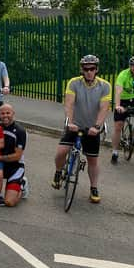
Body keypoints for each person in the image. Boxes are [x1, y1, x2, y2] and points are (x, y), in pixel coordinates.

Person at [51, 55, 111, 203]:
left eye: (92, 69)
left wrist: (97, 127)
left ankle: (94, 188)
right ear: (82, 70)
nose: (89, 71)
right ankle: (58, 172)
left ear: (96, 69)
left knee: (93, 160)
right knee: (61, 152)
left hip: (92, 128)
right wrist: (70, 123)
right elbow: (69, 104)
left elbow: (104, 108)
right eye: (86, 69)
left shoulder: (105, 86)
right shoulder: (74, 83)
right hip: (75, 125)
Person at [0, 104, 29, 207]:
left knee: (9, 202)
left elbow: (17, 156)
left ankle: (22, 184)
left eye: (8, 113)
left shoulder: (20, 131)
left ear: (13, 114)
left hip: (15, 167)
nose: (5, 116)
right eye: (2, 113)